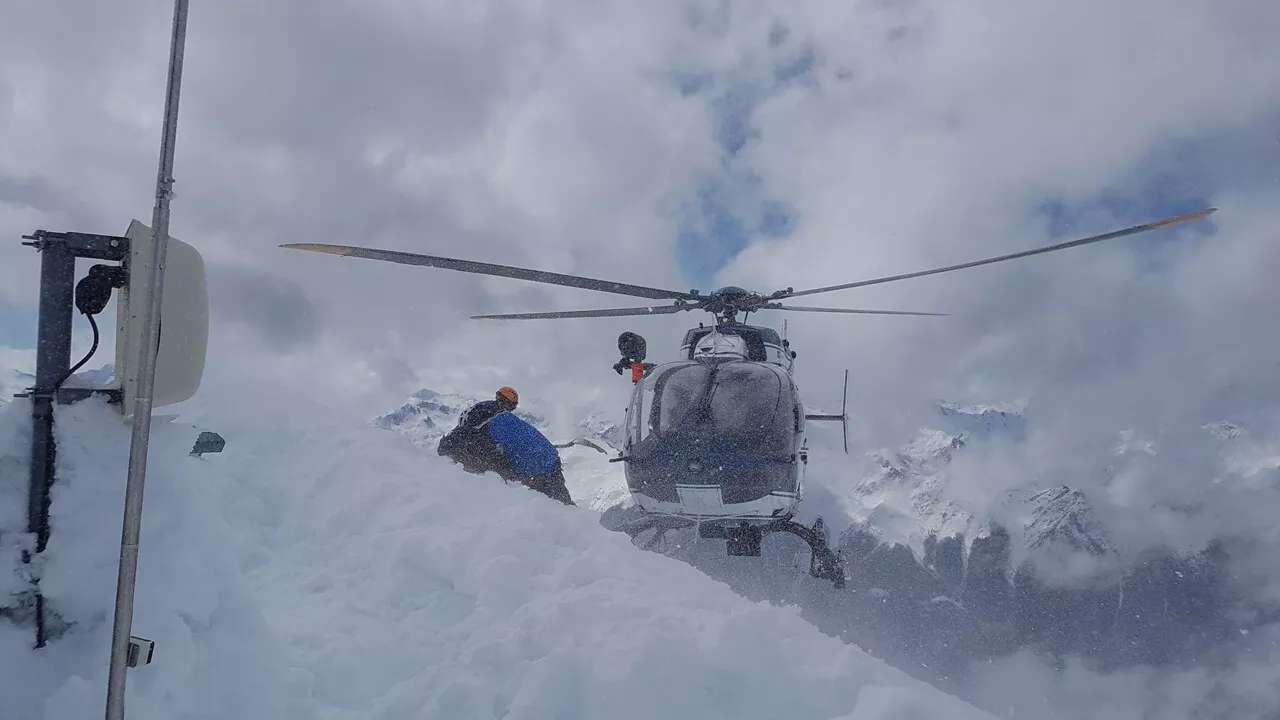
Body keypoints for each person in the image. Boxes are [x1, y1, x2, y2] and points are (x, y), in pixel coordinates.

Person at [437, 387, 575, 506]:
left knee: (559, 503)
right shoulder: (494, 418)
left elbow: (498, 458)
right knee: (562, 503)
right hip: (548, 463)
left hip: (539, 466)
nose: (509, 408)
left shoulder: (483, 414)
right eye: (510, 405)